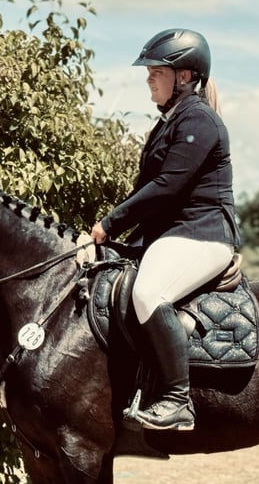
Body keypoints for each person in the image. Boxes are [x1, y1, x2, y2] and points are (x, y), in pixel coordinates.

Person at [90, 28, 240, 431]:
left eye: (157, 71)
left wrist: (109, 222)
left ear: (186, 76)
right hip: (173, 235)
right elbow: (145, 191)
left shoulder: (199, 120)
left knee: (148, 292)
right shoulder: (168, 124)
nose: (148, 78)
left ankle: (178, 400)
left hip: (203, 234)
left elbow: (167, 186)